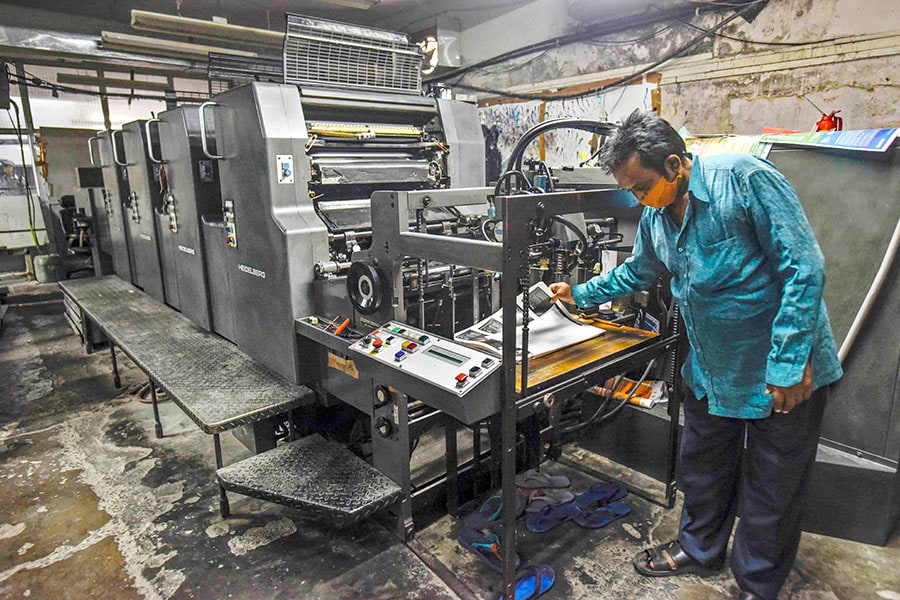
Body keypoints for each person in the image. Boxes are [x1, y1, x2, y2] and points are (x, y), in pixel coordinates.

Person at [550, 110, 842, 600]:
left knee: (772, 487)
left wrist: (790, 363)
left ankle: (757, 584)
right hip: (712, 368)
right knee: (704, 468)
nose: (638, 200)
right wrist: (578, 294)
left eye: (641, 188)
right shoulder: (655, 215)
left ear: (674, 166)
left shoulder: (743, 180)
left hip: (781, 367)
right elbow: (637, 273)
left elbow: (804, 266)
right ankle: (699, 549)